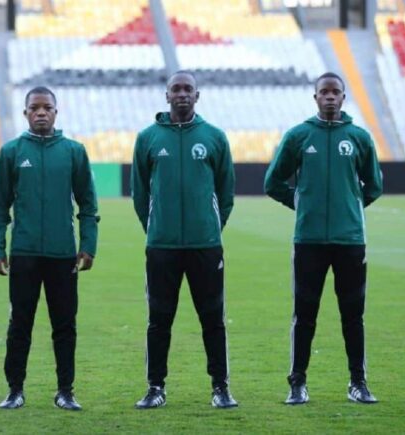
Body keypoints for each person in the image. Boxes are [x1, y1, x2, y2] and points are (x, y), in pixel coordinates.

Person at [264, 72, 383, 405]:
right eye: (324, 92)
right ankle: (297, 383)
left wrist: (350, 207)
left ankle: (358, 383)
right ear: (315, 97)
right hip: (309, 241)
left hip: (350, 240)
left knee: (353, 315)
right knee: (304, 314)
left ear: (343, 98)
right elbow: (273, 183)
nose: (330, 97)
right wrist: (302, 205)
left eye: (336, 92)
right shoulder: (299, 136)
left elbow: (373, 185)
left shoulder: (359, 138)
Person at [130, 70, 238, 409]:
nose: (181, 94)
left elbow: (226, 193)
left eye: (187, 89)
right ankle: (155, 387)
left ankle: (220, 387)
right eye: (175, 89)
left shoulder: (215, 138)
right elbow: (140, 194)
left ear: (197, 95)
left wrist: (209, 228)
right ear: (166, 95)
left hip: (205, 246)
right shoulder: (148, 138)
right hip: (161, 247)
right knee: (159, 319)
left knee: (212, 318)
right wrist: (156, 229)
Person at [0, 86, 99, 411]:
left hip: (62, 254)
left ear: (56, 111)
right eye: (34, 108)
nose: (40, 112)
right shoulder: (11, 152)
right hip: (23, 254)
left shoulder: (74, 152)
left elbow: (88, 204)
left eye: (46, 107)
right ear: (25, 113)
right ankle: (14, 390)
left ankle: (65, 391)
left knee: (64, 325)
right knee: (19, 324)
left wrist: (88, 244)